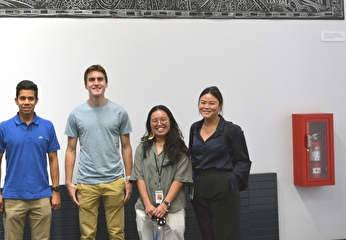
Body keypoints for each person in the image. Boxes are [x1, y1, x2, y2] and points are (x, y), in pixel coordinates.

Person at [64, 64, 133, 240]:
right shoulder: (76, 114)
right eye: (91, 80)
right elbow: (71, 149)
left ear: (106, 83)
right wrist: (68, 182)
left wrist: (128, 178)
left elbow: (126, 146)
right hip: (86, 182)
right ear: (86, 85)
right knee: (87, 235)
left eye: (100, 79)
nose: (96, 83)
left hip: (114, 181)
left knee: (117, 233)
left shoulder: (119, 112)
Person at [0, 80, 61, 240]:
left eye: (31, 98)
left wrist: (56, 191)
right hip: (13, 197)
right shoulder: (4, 127)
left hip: (42, 196)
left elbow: (53, 160)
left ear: (36, 100)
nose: (26, 102)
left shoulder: (47, 126)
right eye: (22, 98)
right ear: (16, 100)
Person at [189, 86, 251, 240]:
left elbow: (243, 161)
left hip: (223, 184)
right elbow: (191, 157)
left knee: (226, 234)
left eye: (211, 103)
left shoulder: (232, 130)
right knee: (206, 233)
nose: (206, 107)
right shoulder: (194, 128)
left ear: (220, 106)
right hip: (199, 187)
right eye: (203, 102)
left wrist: (230, 180)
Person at [130, 105, 192, 240]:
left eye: (163, 119)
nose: (159, 124)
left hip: (173, 209)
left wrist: (165, 205)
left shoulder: (181, 150)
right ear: (149, 124)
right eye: (154, 121)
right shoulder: (142, 149)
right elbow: (139, 177)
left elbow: (179, 179)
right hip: (146, 210)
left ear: (170, 122)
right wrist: (147, 204)